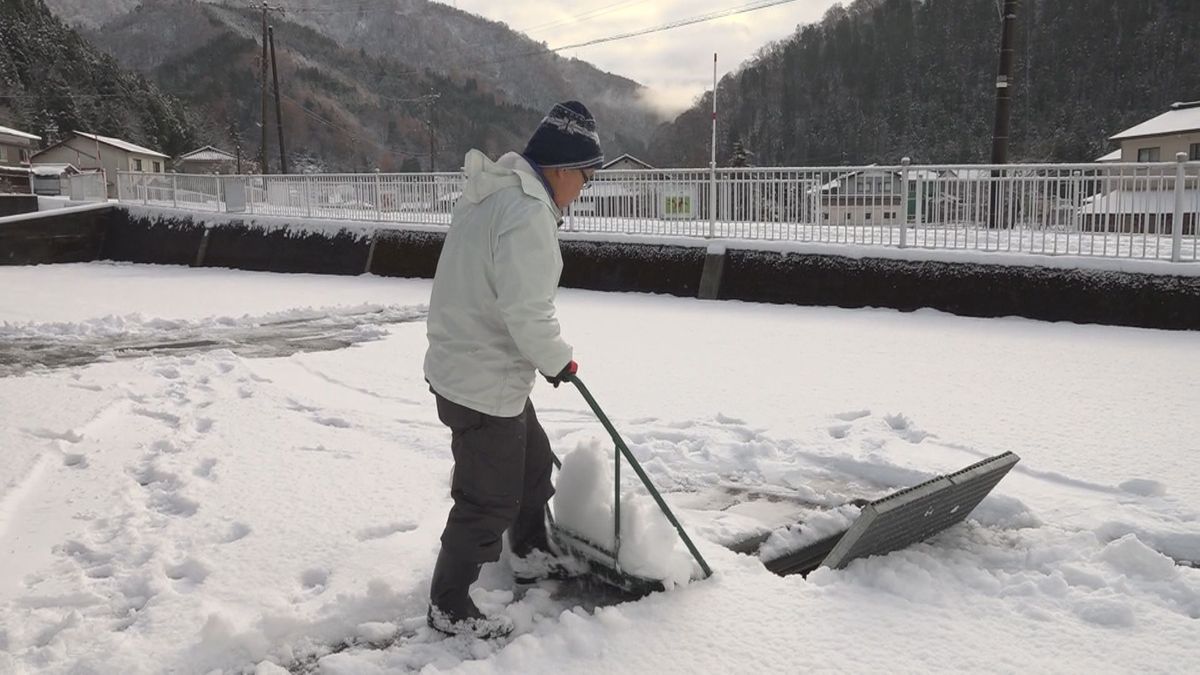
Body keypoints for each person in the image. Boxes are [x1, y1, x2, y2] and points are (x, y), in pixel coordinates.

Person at [423, 101, 603, 639]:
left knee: (528, 465)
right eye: (586, 177)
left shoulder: (496, 194)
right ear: (561, 169)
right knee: (488, 498)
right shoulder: (526, 212)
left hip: (469, 363)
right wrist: (558, 359)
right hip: (483, 379)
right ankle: (448, 603)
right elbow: (526, 311)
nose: (585, 189)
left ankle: (528, 551)